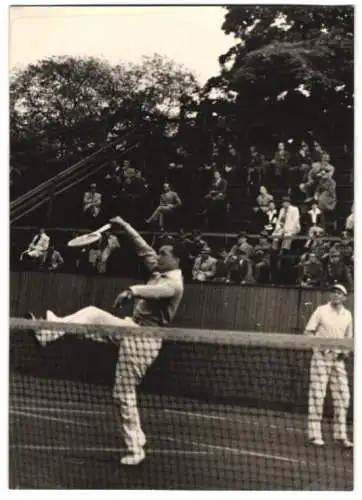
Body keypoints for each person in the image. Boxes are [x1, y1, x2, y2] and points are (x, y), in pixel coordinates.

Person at [28, 216, 184, 466]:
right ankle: (48, 331)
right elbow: (142, 247)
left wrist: (132, 291)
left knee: (122, 394)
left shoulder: (174, 284)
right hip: (130, 327)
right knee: (91, 313)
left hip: (145, 341)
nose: (159, 255)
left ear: (176, 259)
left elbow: (159, 292)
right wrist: (125, 226)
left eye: (164, 253)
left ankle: (135, 450)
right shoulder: (160, 267)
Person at [304, 284, 353, 448]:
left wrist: (344, 352)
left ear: (345, 297)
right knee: (317, 396)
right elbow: (308, 332)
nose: (336, 295)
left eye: (340, 293)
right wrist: (319, 348)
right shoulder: (320, 310)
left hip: (338, 361)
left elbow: (348, 339)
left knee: (344, 397)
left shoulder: (348, 315)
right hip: (321, 358)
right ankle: (314, 435)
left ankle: (341, 435)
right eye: (333, 292)